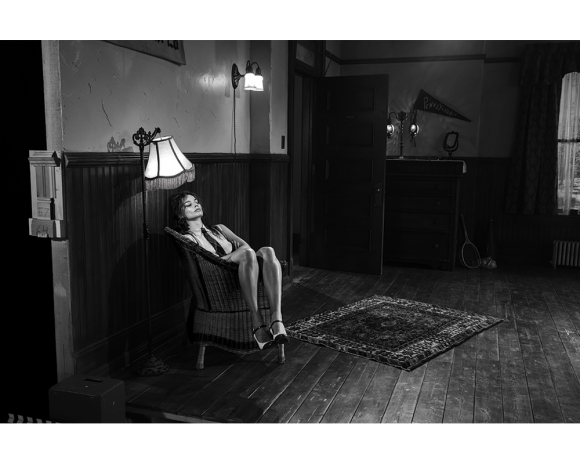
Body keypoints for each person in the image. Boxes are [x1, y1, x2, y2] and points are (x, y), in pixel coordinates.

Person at [170, 191, 287, 350]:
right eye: (188, 204)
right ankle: (257, 322)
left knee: (268, 251)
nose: (196, 205)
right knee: (247, 254)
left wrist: (234, 256)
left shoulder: (219, 229)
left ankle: (276, 320)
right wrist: (236, 256)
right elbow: (209, 264)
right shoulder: (189, 239)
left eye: (196, 202)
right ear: (180, 214)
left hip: (247, 271)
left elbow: (246, 246)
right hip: (220, 280)